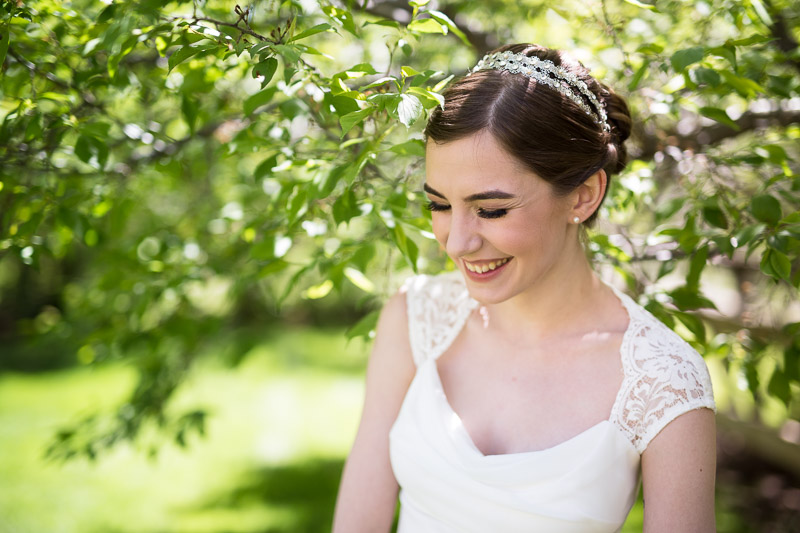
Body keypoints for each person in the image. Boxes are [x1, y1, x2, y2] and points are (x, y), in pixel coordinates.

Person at [332, 43, 717, 532]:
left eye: (491, 210)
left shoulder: (663, 381)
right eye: (439, 205)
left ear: (583, 196)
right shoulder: (415, 318)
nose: (458, 242)